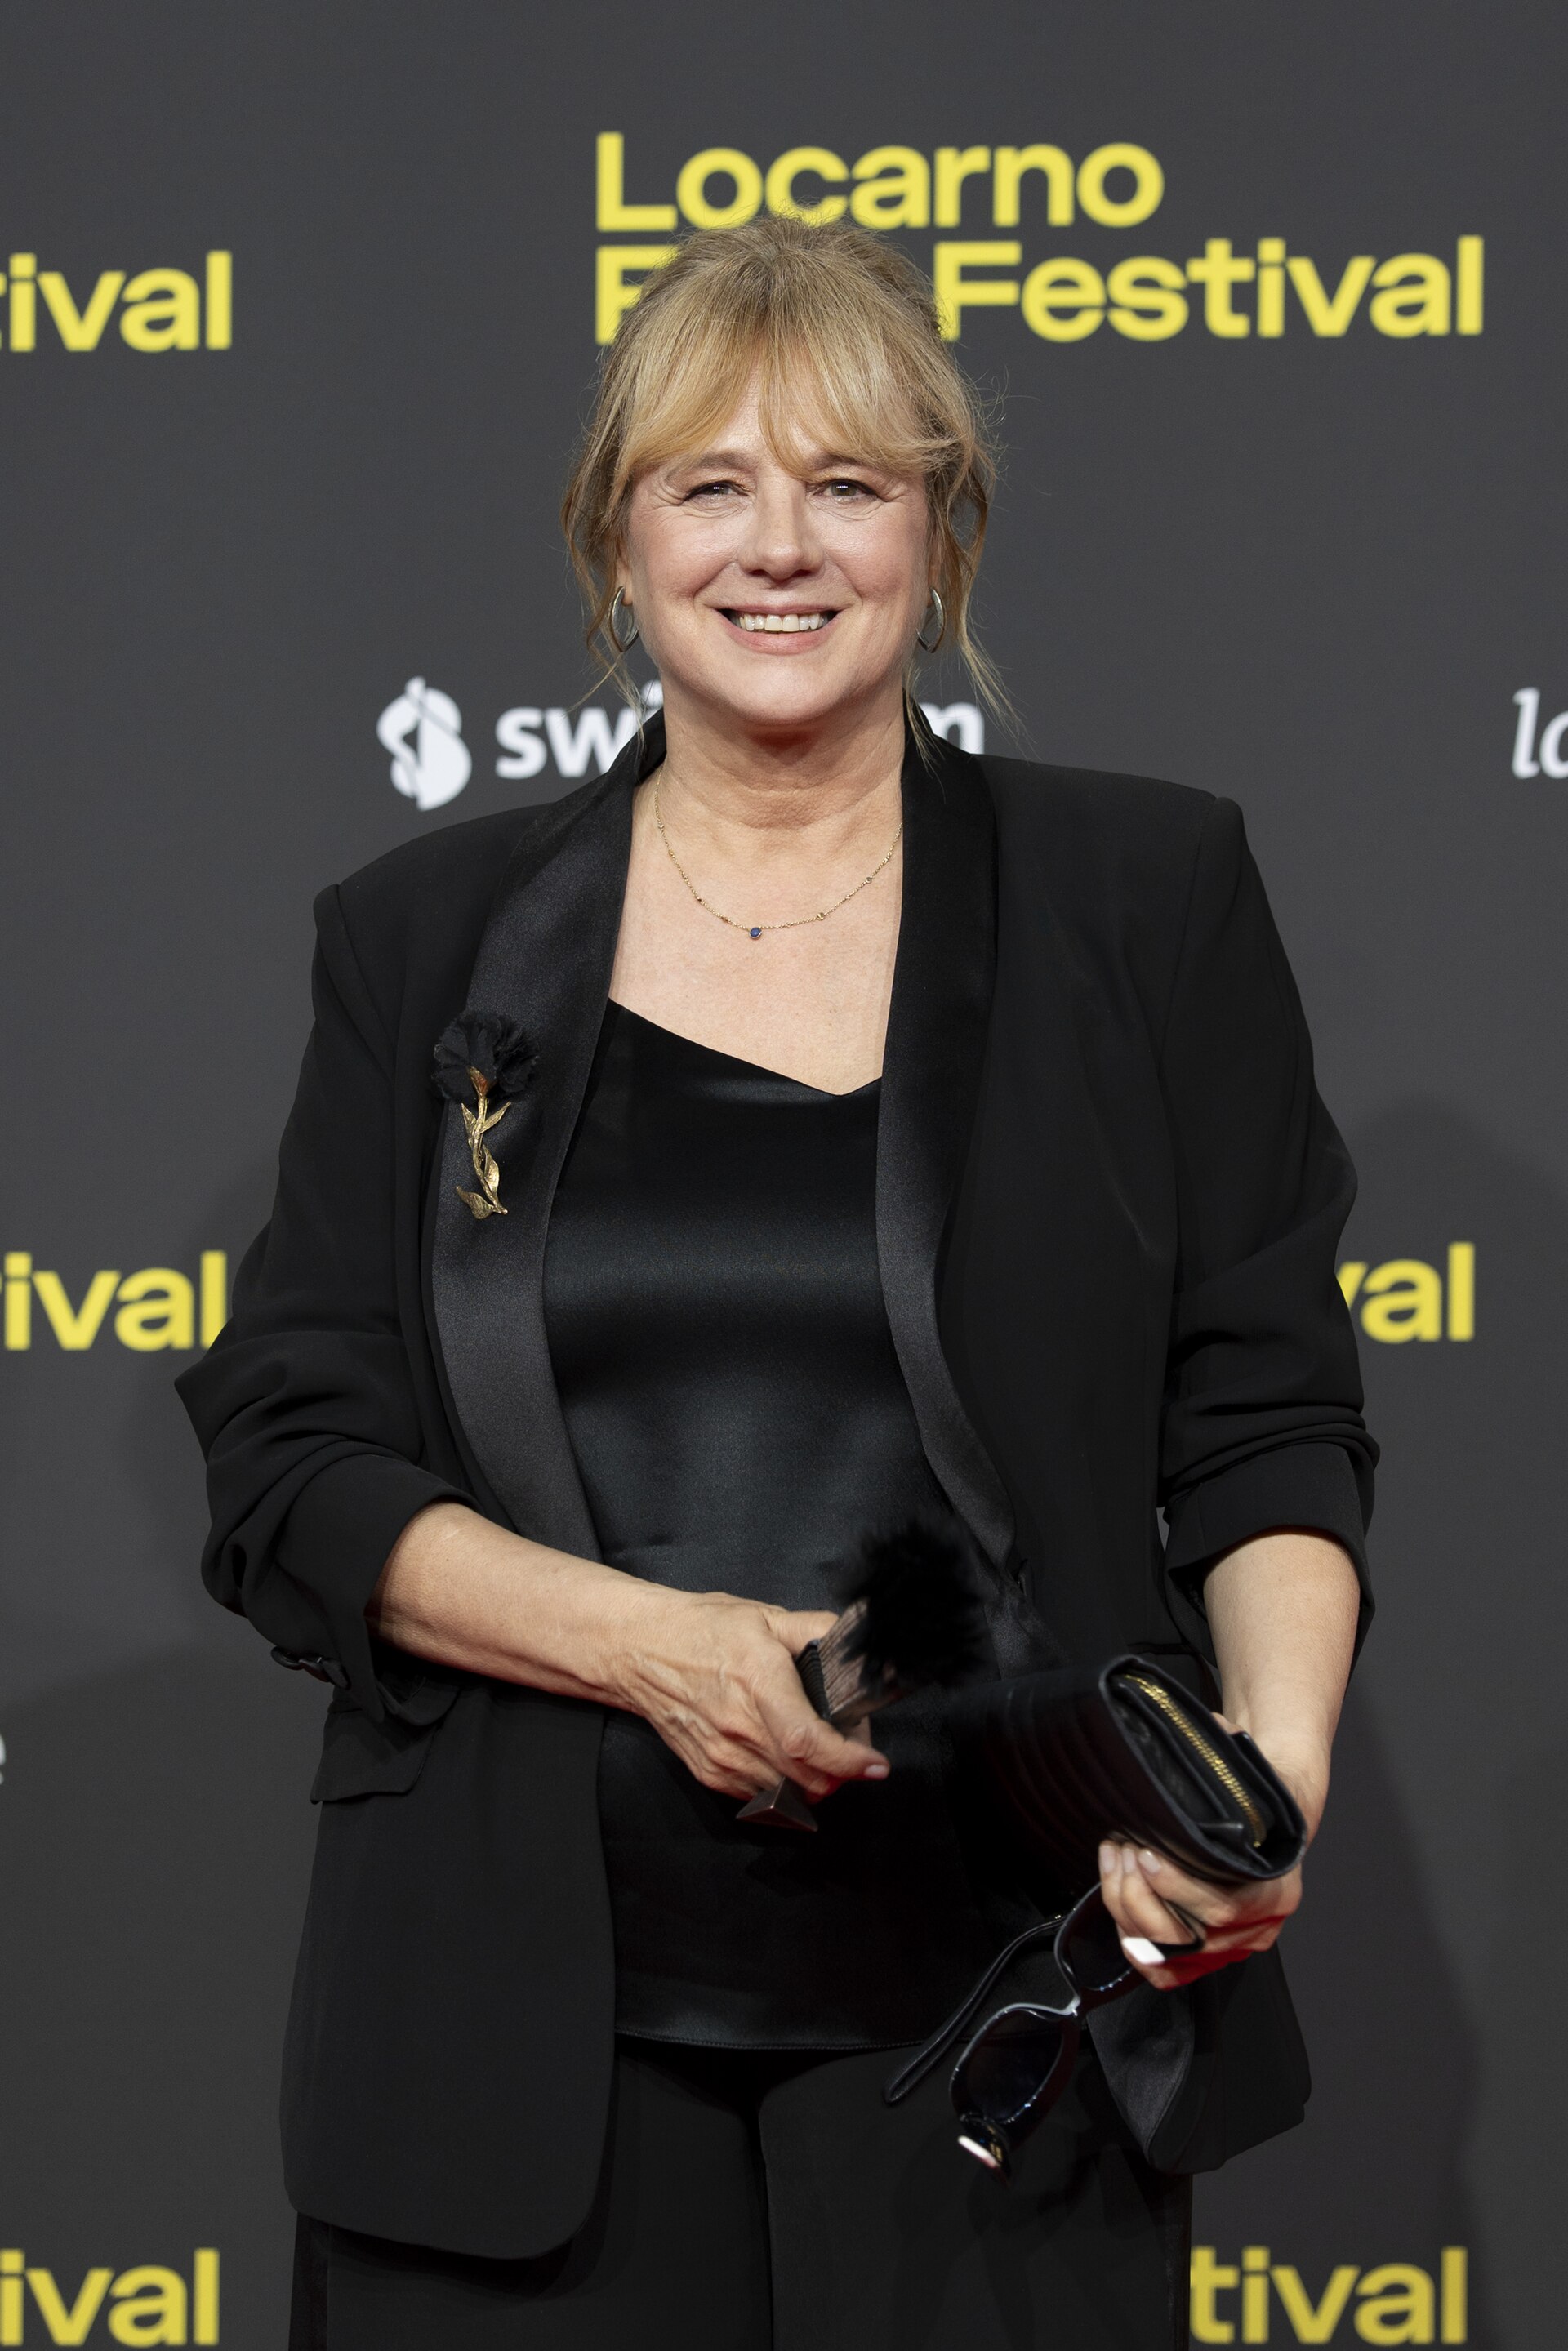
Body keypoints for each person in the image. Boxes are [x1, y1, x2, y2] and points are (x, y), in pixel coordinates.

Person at [176, 216, 1374, 2351]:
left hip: (1008, 2034)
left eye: (850, 485)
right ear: (617, 544)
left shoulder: (1151, 896)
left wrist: (1259, 1779)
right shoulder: (422, 937)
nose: (779, 546)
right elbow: (292, 1460)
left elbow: (1266, 1412)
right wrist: (657, 1653)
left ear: (943, 531)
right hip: (507, 2075)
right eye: (709, 485)